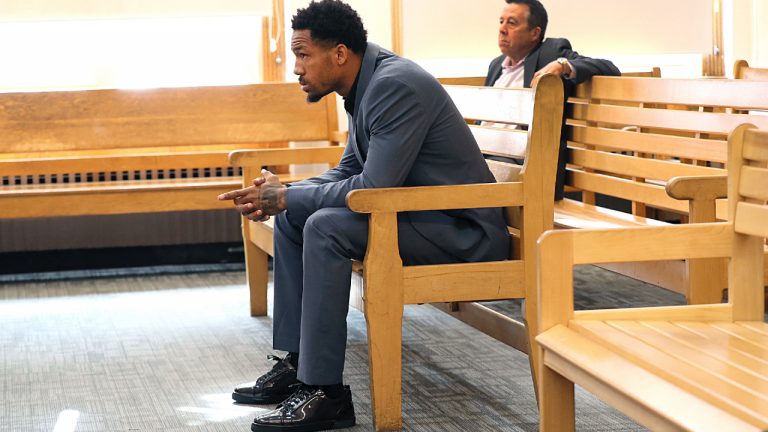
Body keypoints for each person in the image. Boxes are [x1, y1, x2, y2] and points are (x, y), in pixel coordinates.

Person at [218, 1, 510, 431]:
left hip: (461, 230)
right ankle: (301, 365)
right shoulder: (365, 83)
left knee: (323, 225)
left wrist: (289, 198)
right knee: (294, 217)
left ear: (339, 54)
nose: (295, 68)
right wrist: (287, 195)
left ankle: (326, 394)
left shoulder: (394, 86)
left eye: (302, 55)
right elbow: (350, 170)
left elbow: (372, 189)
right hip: (417, 215)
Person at [486, 0, 621, 200]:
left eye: (512, 23)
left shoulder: (550, 52)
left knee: (473, 178)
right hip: (486, 155)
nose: (502, 29)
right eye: (501, 21)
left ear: (535, 33)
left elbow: (609, 68)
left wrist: (562, 65)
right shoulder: (496, 66)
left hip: (523, 164)